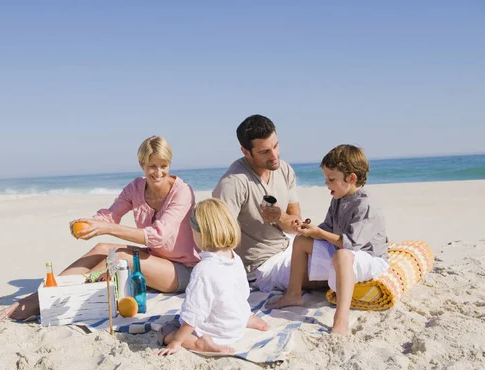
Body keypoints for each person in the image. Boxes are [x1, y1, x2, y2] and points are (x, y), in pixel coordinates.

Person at [0, 136, 200, 322]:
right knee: (103, 247)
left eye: (163, 165)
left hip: (182, 270)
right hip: (153, 259)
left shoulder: (182, 192)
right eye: (152, 166)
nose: (158, 172)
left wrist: (107, 227)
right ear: (142, 164)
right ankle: (39, 297)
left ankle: (57, 300)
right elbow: (110, 215)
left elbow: (157, 237)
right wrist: (90, 224)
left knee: (121, 257)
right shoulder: (136, 188)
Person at [266, 144, 390, 335]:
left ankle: (341, 320)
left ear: (351, 178)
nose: (327, 185)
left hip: (368, 256)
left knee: (341, 255)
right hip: (344, 251)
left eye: (331, 179)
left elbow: (349, 244)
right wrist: (308, 230)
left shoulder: (365, 205)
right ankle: (293, 294)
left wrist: (320, 233)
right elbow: (327, 229)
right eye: (325, 179)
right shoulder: (338, 199)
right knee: (300, 241)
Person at [158, 198, 268, 356]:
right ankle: (247, 319)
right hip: (236, 324)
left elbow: (194, 313)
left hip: (217, 332)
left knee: (166, 331)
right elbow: (243, 292)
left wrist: (176, 342)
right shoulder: (233, 257)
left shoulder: (203, 269)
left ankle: (201, 344)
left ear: (200, 233)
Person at [212, 114, 306, 291]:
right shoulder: (233, 183)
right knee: (332, 275)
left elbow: (296, 224)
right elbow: (219, 241)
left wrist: (279, 217)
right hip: (261, 265)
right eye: (264, 152)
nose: (274, 155)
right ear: (246, 151)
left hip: (288, 246)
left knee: (339, 257)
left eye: (276, 146)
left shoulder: (284, 169)